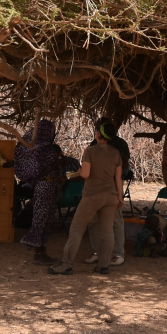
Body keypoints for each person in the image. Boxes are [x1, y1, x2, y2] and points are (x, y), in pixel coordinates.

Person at [49, 118, 124, 275]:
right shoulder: (116, 153)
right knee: (107, 231)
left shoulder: (90, 151)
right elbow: (118, 178)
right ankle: (104, 264)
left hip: (92, 195)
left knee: (77, 229)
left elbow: (85, 174)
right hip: (111, 195)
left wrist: (72, 175)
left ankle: (66, 264)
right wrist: (120, 197)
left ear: (98, 133)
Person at [15, 119, 64, 265]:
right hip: (44, 187)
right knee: (40, 219)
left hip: (52, 186)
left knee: (48, 219)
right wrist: (55, 164)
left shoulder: (50, 148)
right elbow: (37, 172)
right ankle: (38, 253)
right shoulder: (37, 150)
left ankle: (43, 251)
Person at [85, 131, 131, 267]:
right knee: (93, 221)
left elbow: (119, 175)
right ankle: (97, 251)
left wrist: (119, 195)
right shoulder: (92, 147)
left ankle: (118, 253)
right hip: (95, 189)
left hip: (111, 189)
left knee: (115, 221)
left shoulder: (118, 148)